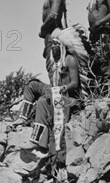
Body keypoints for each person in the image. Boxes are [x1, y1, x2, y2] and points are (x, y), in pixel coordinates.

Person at [10, 26, 90, 165]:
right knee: (32, 84)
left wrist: (62, 88)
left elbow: (75, 83)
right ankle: (22, 118)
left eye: (56, 44)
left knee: (42, 101)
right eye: (51, 44)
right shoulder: (54, 62)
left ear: (62, 45)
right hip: (54, 91)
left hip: (68, 98)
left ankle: (36, 140)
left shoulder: (70, 59)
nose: (53, 47)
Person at [40, 0, 67, 81]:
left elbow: (54, 15)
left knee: (55, 68)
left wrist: (42, 28)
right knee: (51, 68)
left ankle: (58, 98)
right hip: (49, 36)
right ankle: (55, 96)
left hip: (55, 34)